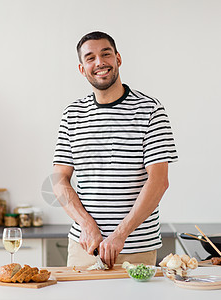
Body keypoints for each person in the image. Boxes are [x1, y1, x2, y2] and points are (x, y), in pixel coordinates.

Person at [52, 31, 177, 268]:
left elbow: (159, 181)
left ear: (118, 58)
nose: (99, 62)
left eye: (105, 54)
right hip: (85, 248)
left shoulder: (150, 110)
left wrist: (120, 234)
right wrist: (88, 227)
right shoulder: (72, 114)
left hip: (137, 249)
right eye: (90, 58)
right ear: (82, 68)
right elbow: (59, 180)